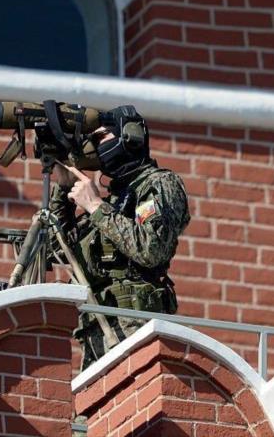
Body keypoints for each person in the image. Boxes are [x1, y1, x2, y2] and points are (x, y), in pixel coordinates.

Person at [50, 105, 190, 368]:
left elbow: (151, 249)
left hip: (136, 330)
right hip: (96, 335)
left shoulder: (159, 184)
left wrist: (94, 207)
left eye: (101, 137)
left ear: (130, 136)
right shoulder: (114, 201)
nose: (94, 146)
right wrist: (64, 187)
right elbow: (53, 250)